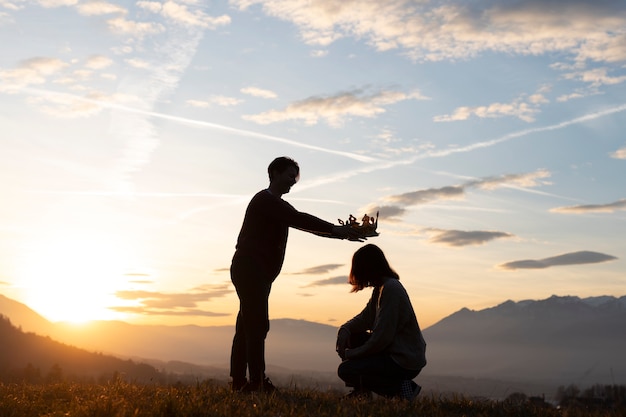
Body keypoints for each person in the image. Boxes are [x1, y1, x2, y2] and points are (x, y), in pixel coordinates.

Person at [230, 156, 362, 392]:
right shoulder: (266, 200)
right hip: (250, 269)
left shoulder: (276, 205)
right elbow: (300, 219)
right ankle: (256, 382)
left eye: (296, 177)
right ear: (274, 173)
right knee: (257, 325)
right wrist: (337, 230)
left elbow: (302, 223)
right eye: (290, 176)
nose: (294, 181)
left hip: (255, 271)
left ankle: (241, 380)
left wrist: (340, 233)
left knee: (247, 324)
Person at [336, 244, 426, 400]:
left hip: (403, 359)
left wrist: (351, 354)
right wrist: (344, 330)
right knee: (353, 337)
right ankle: (362, 392)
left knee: (346, 370)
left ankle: (403, 389)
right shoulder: (381, 288)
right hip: (392, 352)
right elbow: (365, 318)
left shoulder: (391, 289)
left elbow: (381, 339)